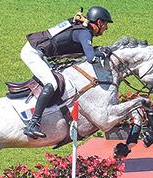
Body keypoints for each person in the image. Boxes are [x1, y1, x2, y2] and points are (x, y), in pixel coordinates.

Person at [21, 6, 113, 139]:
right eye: (105, 24)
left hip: (39, 51)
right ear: (99, 22)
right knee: (51, 83)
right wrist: (104, 54)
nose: (106, 28)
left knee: (57, 78)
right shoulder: (84, 32)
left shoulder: (82, 28)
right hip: (32, 53)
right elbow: (91, 59)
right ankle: (33, 123)